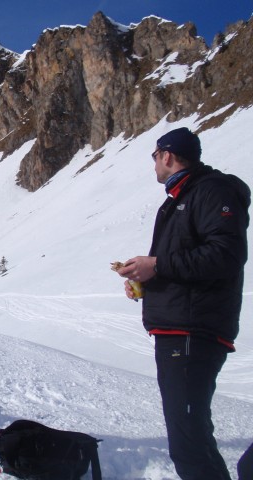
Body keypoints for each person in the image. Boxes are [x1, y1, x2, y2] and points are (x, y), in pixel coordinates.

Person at [117, 127, 250, 479]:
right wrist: (148, 282)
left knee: (188, 440)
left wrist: (157, 266)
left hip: (193, 329)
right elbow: (187, 262)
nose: (153, 164)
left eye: (154, 156)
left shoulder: (210, 191)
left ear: (167, 155)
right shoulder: (181, 196)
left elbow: (225, 255)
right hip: (181, 327)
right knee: (189, 436)